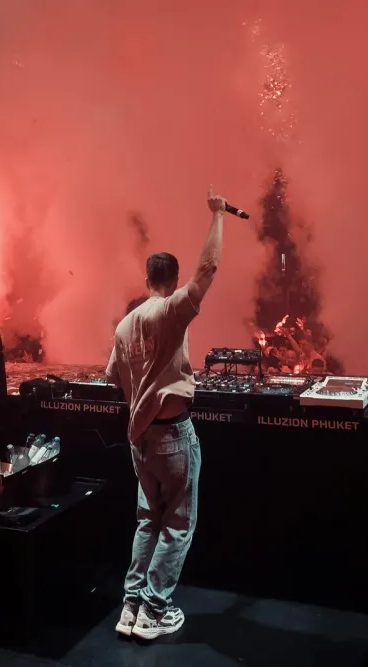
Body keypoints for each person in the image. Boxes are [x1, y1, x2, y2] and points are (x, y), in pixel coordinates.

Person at [104, 186, 228, 640]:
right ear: (173, 281)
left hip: (139, 441)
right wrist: (218, 215)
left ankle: (131, 606)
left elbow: (114, 376)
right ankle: (155, 611)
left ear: (146, 280)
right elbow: (209, 267)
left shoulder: (124, 325)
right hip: (173, 437)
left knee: (147, 521)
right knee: (177, 526)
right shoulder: (172, 309)